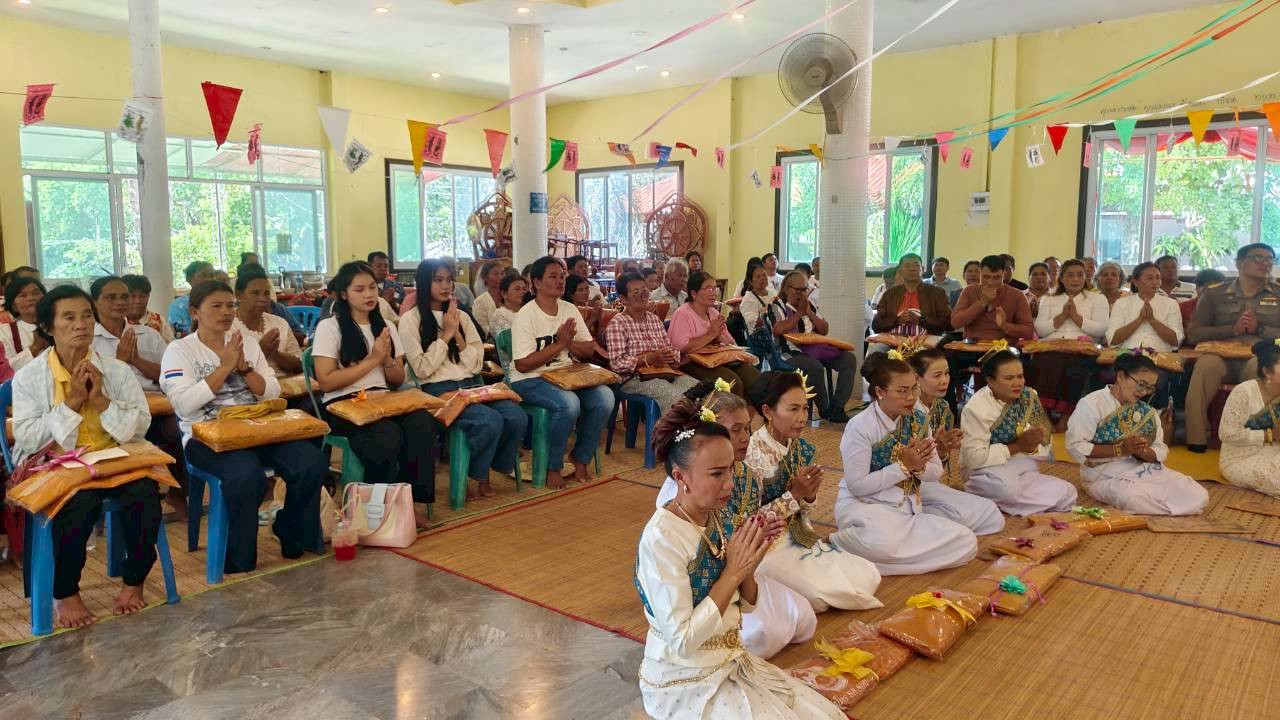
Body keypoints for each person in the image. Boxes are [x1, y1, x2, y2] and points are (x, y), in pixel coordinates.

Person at [636, 420, 845, 720]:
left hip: (733, 660)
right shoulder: (662, 538)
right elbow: (683, 642)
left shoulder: (718, 516)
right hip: (685, 680)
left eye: (731, 469)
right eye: (716, 474)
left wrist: (750, 560)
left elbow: (747, 605)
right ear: (681, 477)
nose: (730, 484)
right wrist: (733, 571)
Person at [11, 285, 158, 628]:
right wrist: (73, 402)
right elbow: (28, 438)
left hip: (113, 459)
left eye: (86, 316)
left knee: (145, 495)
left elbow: (140, 427)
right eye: (69, 317)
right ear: (48, 327)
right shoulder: (29, 377)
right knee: (78, 505)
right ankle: (66, 592)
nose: (81, 324)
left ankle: (134, 581)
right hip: (58, 465)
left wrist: (101, 401)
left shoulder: (116, 370)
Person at [161, 280, 327, 573]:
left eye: (230, 305)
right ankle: (240, 557)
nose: (226, 312)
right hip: (206, 437)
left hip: (257, 430)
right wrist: (225, 367)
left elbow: (271, 393)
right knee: (247, 475)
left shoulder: (246, 343)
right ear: (195, 312)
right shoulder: (180, 350)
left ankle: (289, 527)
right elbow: (184, 405)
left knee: (311, 462)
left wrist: (245, 368)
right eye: (216, 306)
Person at [654, 382, 818, 659]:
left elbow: (745, 528)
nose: (745, 438)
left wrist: (755, 541)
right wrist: (738, 561)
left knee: (803, 617)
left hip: (738, 573)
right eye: (736, 430)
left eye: (748, 429)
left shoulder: (746, 475)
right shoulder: (673, 507)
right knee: (764, 634)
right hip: (704, 590)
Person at [835, 353, 1003, 575]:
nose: (911, 397)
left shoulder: (918, 419)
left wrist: (920, 466)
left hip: (908, 504)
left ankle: (888, 553)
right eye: (902, 391)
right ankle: (840, 542)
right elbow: (857, 486)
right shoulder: (861, 426)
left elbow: (935, 471)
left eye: (914, 389)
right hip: (866, 505)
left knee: (968, 539)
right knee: (880, 542)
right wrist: (903, 467)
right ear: (880, 392)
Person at [741, 371, 883, 612]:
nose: (802, 418)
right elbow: (746, 522)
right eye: (793, 409)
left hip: (799, 534)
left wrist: (808, 496)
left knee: (867, 574)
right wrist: (794, 495)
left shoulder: (803, 448)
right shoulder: (752, 455)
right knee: (819, 595)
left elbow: (805, 512)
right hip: (766, 545)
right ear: (768, 411)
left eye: (805, 409)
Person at [313, 262, 439, 522]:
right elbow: (325, 382)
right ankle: (378, 507)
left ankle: (410, 502)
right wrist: (373, 360)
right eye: (359, 289)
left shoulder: (387, 327)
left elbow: (397, 379)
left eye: (372, 287)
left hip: (382, 400)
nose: (369, 294)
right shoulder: (330, 327)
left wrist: (387, 359)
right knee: (387, 435)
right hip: (343, 404)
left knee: (423, 423)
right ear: (344, 293)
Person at [401, 259, 525, 499]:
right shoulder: (411, 319)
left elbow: (476, 365)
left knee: (515, 416)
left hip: (471, 386)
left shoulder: (461, 317)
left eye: (449, 280)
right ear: (424, 282)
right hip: (436, 391)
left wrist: (457, 334)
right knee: (489, 421)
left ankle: (482, 468)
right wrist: (446, 335)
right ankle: (476, 475)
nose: (446, 286)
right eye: (438, 280)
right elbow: (422, 369)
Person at [510, 256, 614, 488]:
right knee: (569, 404)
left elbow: (588, 349)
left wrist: (568, 344)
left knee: (605, 398)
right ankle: (552, 465)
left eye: (562, 276)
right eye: (553, 276)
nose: (560, 281)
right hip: (529, 379)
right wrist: (559, 344)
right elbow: (522, 365)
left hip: (565, 375)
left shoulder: (569, 309)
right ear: (537, 282)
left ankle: (580, 457)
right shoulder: (527, 314)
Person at [1067, 353, 1207, 515]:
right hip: (1103, 476)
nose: (1144, 392)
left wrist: (1144, 452)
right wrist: (1120, 449)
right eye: (1141, 384)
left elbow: (1160, 448)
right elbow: (1076, 446)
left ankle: (1160, 508)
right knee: (1132, 498)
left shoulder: (1147, 412)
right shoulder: (1092, 404)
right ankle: (1167, 508)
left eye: (1149, 388)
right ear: (1120, 376)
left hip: (1144, 470)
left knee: (1199, 494)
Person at [1185, 243, 1279, 452]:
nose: (1265, 263)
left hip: (1258, 356)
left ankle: (1256, 437)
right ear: (1239, 263)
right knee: (1206, 366)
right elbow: (1194, 333)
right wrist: (1231, 330)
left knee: (1262, 368)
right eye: (1259, 258)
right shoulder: (1214, 294)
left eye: (1270, 259)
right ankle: (1196, 439)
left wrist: (1260, 328)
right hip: (1222, 355)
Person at [960, 350, 1077, 515]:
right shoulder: (976, 409)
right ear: (990, 381)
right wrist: (1018, 446)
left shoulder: (1028, 397)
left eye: (1020, 376)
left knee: (1068, 492)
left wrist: (1031, 446)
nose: (1017, 383)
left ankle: (1016, 498)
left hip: (1019, 463)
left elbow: (1046, 442)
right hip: (983, 470)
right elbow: (974, 459)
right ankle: (983, 492)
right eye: (1009, 378)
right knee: (1007, 489)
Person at [768, 271, 859, 423]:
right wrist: (798, 314)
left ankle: (837, 407)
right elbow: (777, 330)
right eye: (798, 290)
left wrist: (809, 312)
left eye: (804, 289)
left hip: (815, 350)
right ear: (787, 288)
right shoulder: (777, 305)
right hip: (789, 353)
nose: (801, 294)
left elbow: (824, 329)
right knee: (814, 367)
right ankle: (825, 409)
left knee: (848, 359)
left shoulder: (809, 304)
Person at [1031, 258, 1110, 427]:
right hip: (1051, 347)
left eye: (1080, 275)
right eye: (1070, 275)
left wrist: (1076, 317)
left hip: (1082, 349)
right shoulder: (1049, 298)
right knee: (1042, 362)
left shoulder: (1097, 299)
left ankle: (1067, 415)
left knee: (1073, 365)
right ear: (1061, 278)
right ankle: (1043, 414)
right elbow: (1040, 330)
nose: (1076, 279)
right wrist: (1061, 317)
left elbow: (1101, 329)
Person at [947, 255, 1035, 404]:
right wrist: (982, 302)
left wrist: (1005, 326)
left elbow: (1028, 331)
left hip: (1003, 349)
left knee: (1019, 363)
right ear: (980, 273)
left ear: (1004, 274)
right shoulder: (969, 291)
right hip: (971, 348)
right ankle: (949, 409)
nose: (991, 282)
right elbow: (955, 322)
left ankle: (1012, 408)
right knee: (946, 361)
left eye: (996, 278)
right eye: (986, 277)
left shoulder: (1016, 295)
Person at [606, 272, 698, 412]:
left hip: (664, 372)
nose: (643, 295)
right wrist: (650, 358)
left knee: (699, 389)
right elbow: (616, 363)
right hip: (633, 379)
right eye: (636, 292)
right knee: (674, 396)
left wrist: (672, 355)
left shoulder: (653, 319)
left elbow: (668, 347)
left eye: (644, 290)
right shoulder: (618, 323)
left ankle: (701, 426)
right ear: (623, 299)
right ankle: (674, 427)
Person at [668, 272, 760, 397]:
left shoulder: (713, 313)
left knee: (754, 377)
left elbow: (731, 343)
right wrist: (711, 335)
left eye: (715, 288)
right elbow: (680, 348)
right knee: (732, 382)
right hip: (689, 364)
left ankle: (749, 409)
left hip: (717, 359)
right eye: (708, 289)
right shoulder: (683, 313)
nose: (714, 293)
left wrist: (719, 336)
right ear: (694, 293)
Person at [1106, 261, 1184, 407]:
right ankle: (1117, 416)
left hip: (1159, 359)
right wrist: (1139, 320)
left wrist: (1152, 320)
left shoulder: (1171, 304)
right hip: (1128, 356)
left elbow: (1176, 341)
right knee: (1114, 377)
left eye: (1158, 277)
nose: (1155, 282)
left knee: (1158, 380)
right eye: (1150, 278)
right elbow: (1113, 340)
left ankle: (1150, 417)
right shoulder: (1122, 303)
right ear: (1136, 281)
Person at [1219, 339, 1280, 497]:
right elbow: (1227, 434)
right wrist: (1269, 435)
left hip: (1274, 451)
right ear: (1267, 371)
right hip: (1240, 457)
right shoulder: (1244, 392)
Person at [908, 345, 968, 489]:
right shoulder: (907, 409)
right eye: (937, 375)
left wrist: (942, 450)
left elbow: (938, 463)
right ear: (917, 378)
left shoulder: (943, 408)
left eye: (946, 373)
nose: (945, 380)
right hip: (902, 480)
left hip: (929, 478)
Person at [870, 253, 952, 347]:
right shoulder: (889, 294)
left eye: (916, 265)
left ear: (922, 269)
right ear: (900, 270)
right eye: (907, 265)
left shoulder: (936, 293)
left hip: (926, 341)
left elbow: (948, 323)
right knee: (876, 350)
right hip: (892, 340)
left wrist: (921, 321)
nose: (912, 269)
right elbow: (876, 324)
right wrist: (897, 321)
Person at [232, 269, 303, 376]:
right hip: (248, 385)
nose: (263, 299)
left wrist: (275, 354)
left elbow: (299, 366)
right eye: (255, 293)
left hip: (285, 382)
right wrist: (261, 350)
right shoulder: (228, 327)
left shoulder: (279, 323)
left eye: (266, 293)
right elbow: (230, 375)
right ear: (238, 295)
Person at [0, 276, 48, 372]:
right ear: (13, 306)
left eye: (36, 293)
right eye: (23, 295)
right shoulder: (4, 332)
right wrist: (34, 349)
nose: (31, 298)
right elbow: (3, 371)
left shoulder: (58, 326)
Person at [122, 274, 175, 343]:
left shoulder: (159, 321)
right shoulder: (117, 321)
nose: (138, 301)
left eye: (143, 296)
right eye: (132, 296)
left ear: (148, 296)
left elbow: (170, 347)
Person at [168, 261, 215, 336]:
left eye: (212, 275)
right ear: (189, 279)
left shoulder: (220, 301)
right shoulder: (179, 305)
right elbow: (178, 334)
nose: (209, 279)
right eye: (204, 276)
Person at [470, 260, 507, 339]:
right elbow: (481, 328)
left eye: (502, 273)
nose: (500, 277)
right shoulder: (480, 301)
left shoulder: (509, 297)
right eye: (495, 274)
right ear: (485, 277)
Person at [490, 270, 527, 341]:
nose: (522, 292)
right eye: (517, 289)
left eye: (524, 289)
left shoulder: (529, 311)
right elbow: (507, 341)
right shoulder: (499, 315)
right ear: (504, 293)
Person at [737, 261, 774, 331]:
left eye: (764, 275)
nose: (762, 278)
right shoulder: (749, 299)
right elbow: (752, 322)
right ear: (751, 281)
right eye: (758, 277)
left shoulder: (773, 293)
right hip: (762, 335)